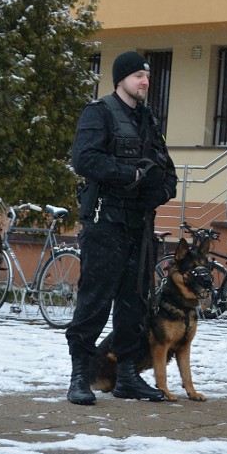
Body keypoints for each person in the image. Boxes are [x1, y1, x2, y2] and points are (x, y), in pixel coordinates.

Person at [66, 51, 178, 405]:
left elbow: (166, 169)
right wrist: (127, 176)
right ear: (120, 80)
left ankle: (127, 374)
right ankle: (80, 376)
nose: (145, 81)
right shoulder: (99, 113)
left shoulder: (148, 120)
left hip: (139, 225)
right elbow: (84, 159)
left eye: (147, 76)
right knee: (95, 301)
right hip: (106, 222)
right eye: (137, 76)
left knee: (135, 303)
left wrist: (159, 191)